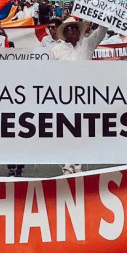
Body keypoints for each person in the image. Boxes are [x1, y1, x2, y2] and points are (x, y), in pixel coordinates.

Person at [51, 17, 108, 175]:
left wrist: (104, 12)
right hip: (63, 96)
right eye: (69, 29)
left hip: (84, 95)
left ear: (79, 31)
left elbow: (102, 30)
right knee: (66, 130)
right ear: (64, 32)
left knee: (81, 130)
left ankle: (78, 163)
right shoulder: (56, 50)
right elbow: (49, 73)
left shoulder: (87, 44)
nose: (72, 31)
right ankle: (68, 164)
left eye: (75, 28)